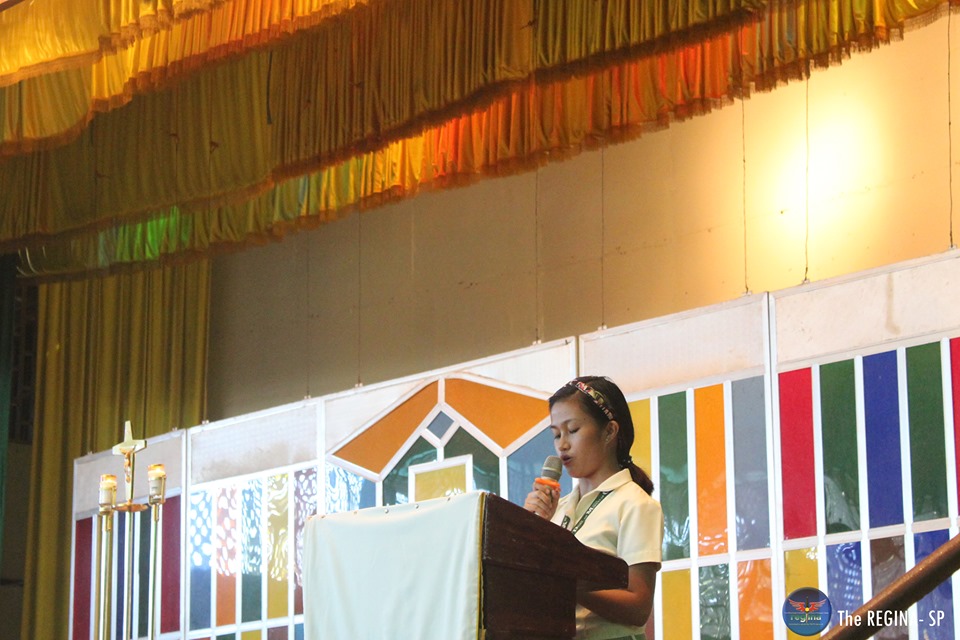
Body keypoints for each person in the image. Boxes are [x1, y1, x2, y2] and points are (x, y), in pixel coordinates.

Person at [524, 376, 663, 640]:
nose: (562, 444)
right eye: (556, 434)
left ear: (609, 431)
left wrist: (568, 582)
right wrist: (534, 528)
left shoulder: (635, 504)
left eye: (573, 429)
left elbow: (639, 608)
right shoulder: (556, 510)